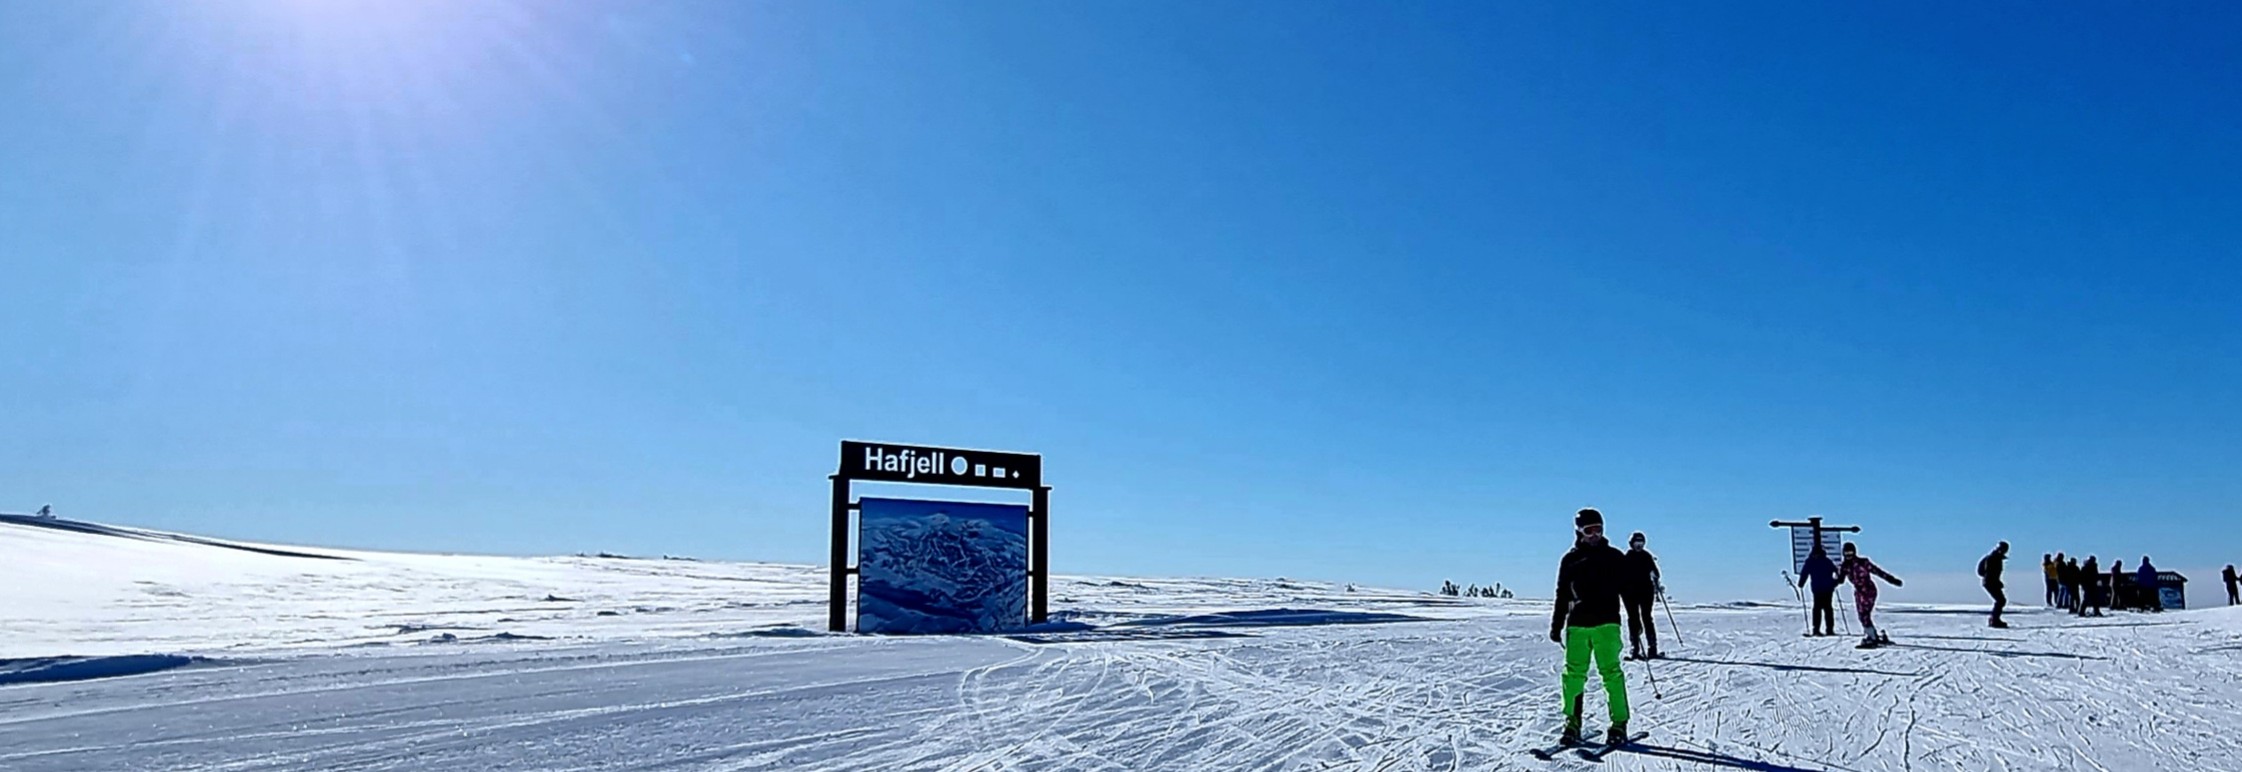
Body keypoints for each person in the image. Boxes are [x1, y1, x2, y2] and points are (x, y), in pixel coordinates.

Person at [1551, 507, 1631, 747]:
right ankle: (1572, 723)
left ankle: (1619, 724)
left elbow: (1627, 591)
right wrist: (1556, 625)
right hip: (1577, 625)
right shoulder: (1570, 559)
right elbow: (1562, 593)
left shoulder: (1615, 557)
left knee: (1611, 674)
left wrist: (1636, 623)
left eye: (1598, 529)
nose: (1595, 534)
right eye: (1589, 530)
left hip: (1607, 624)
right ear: (1579, 531)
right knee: (1573, 675)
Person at [1838, 541, 1903, 648]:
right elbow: (1841, 580)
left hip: (1869, 591)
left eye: (1850, 553)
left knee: (1864, 615)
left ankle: (1871, 636)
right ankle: (1872, 635)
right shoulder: (1845, 566)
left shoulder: (1863, 562)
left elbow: (1878, 571)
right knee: (1862, 615)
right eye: (1846, 553)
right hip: (1859, 592)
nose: (1849, 555)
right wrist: (1834, 580)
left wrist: (1891, 579)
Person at [1621, 531, 1662, 660]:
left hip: (1645, 591)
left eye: (1641, 543)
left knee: (1646, 617)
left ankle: (1652, 648)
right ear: (1632, 544)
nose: (1639, 546)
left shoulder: (1646, 556)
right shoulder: (1627, 557)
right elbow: (1620, 574)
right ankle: (1635, 648)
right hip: (1630, 593)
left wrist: (1654, 575)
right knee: (1633, 618)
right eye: (1636, 543)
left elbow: (1656, 572)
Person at [1799, 545, 1841, 636]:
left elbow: (1804, 573)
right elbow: (1836, 571)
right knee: (1827, 608)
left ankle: (1817, 629)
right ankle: (1828, 629)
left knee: (1819, 608)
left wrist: (1801, 583)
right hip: (1826, 588)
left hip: (1819, 588)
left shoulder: (1810, 562)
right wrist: (1836, 581)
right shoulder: (1827, 561)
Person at [1977, 542, 2009, 628]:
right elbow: (1990, 573)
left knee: (2000, 600)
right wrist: (1995, 581)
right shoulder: (1992, 558)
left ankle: (1994, 619)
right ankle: (1994, 620)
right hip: (1990, 582)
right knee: (2001, 600)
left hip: (1991, 582)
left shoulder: (1995, 558)